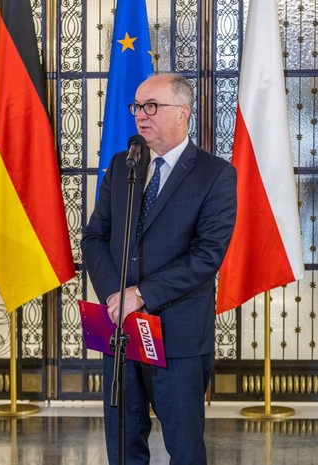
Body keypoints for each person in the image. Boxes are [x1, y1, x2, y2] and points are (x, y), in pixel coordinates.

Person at [81, 73, 237, 465]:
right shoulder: (123, 166)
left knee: (184, 448)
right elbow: (95, 237)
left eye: (151, 106)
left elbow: (207, 255)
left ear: (183, 112)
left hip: (177, 333)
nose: (140, 115)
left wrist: (142, 295)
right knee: (123, 444)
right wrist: (116, 296)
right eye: (136, 106)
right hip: (121, 329)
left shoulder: (215, 174)